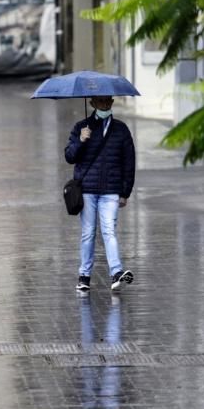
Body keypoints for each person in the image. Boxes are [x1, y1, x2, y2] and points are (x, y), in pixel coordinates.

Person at [65, 95, 136, 293]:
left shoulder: (121, 130)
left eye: (108, 101)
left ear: (112, 103)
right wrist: (80, 140)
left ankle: (116, 272)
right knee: (88, 233)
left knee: (109, 231)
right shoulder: (82, 127)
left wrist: (125, 192)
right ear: (92, 104)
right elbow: (69, 157)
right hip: (87, 189)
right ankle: (84, 276)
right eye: (101, 101)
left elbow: (129, 163)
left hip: (111, 190)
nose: (105, 105)